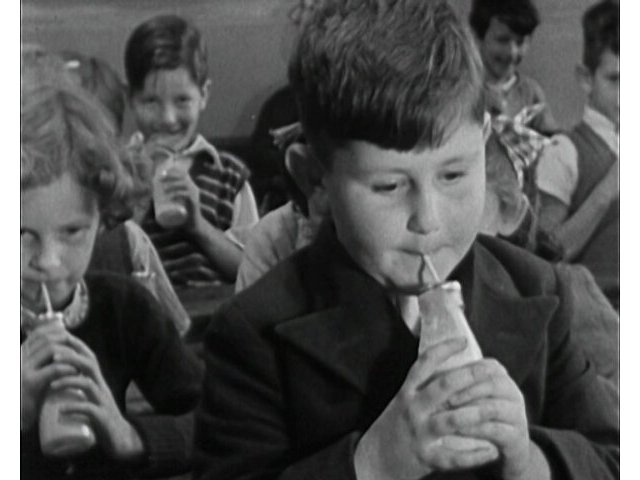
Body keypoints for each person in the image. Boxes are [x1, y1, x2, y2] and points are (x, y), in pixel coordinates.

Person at [193, 1, 618, 479]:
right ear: (313, 177)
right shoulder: (254, 334)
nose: (428, 221)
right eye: (390, 186)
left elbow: (613, 457)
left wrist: (530, 461)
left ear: (483, 144)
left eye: (454, 175)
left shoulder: (537, 290)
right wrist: (374, 464)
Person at [20, 63, 203, 479]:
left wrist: (130, 436)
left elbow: (216, 419)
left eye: (72, 232)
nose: (48, 261)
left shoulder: (125, 308)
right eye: (20, 234)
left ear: (102, 220)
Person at [124, 14, 259, 286]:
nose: (168, 119)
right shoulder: (118, 171)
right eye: (151, 101)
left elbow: (253, 271)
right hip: (142, 310)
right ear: (130, 99)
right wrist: (136, 203)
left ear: (204, 95)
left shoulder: (228, 175)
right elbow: (99, 266)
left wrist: (198, 225)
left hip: (213, 309)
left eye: (182, 100)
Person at [536, 0, 619, 309]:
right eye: (616, 79)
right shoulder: (564, 152)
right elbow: (546, 256)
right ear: (586, 78)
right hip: (595, 316)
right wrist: (605, 193)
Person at [469, 0, 558, 135]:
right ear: (477, 38)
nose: (512, 52)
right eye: (502, 40)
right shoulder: (463, 92)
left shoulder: (531, 92)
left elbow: (550, 137)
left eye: (520, 42)